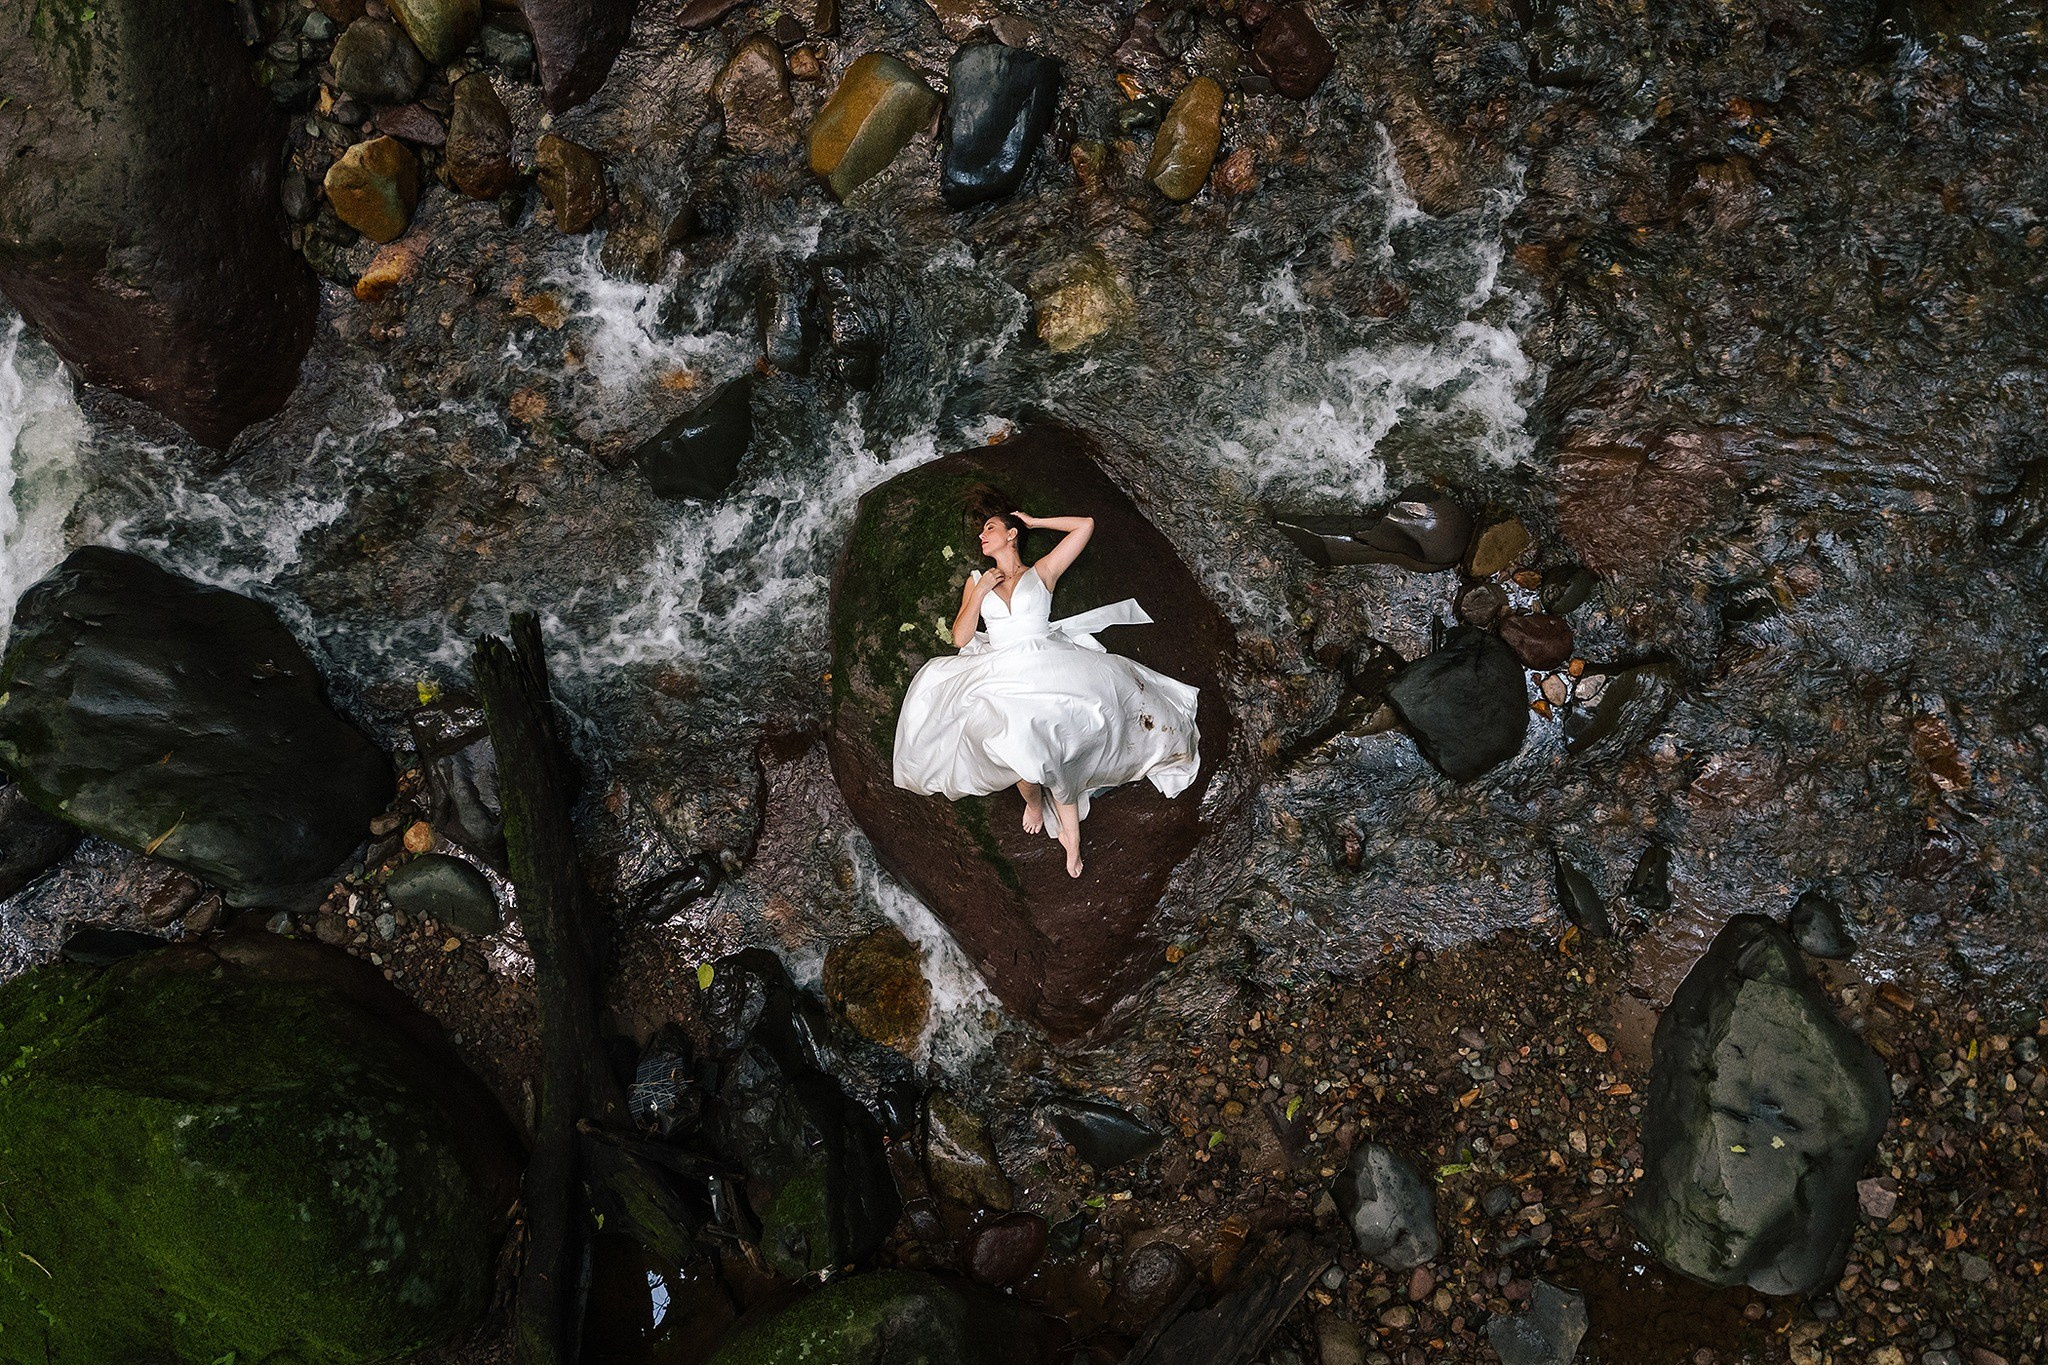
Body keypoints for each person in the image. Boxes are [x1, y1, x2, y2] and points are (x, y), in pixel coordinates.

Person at [892, 497, 1202, 878]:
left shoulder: (1041, 573)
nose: (981, 536)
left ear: (1011, 535)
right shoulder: (977, 581)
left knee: (1053, 744)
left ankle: (1071, 837)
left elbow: (1085, 524)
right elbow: (960, 638)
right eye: (981, 531)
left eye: (990, 528)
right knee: (1017, 743)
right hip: (1001, 669)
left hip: (1048, 662)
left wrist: (1035, 521)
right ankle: (1035, 803)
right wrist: (980, 590)